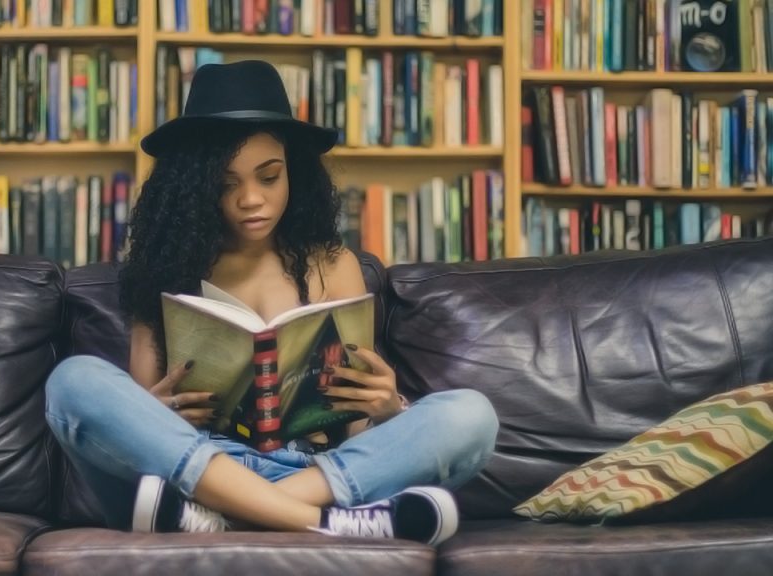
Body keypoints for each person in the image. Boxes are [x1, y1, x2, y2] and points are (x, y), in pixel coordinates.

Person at [45, 60, 498, 545]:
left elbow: (356, 431)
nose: (250, 199)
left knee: (472, 415)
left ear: (294, 174)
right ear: (195, 189)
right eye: (226, 183)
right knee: (73, 382)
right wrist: (154, 410)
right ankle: (326, 523)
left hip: (312, 471)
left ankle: (234, 515)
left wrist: (389, 407)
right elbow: (142, 421)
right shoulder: (162, 270)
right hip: (193, 467)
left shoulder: (334, 264)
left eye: (269, 176)